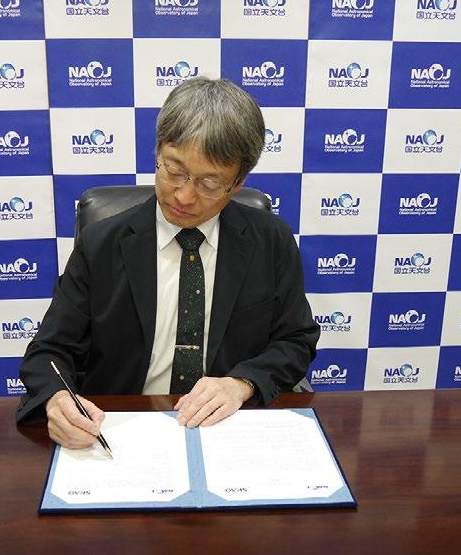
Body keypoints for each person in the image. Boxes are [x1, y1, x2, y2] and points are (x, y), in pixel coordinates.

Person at [16, 77, 319, 449]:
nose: (185, 196)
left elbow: (295, 341)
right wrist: (56, 400)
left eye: (209, 184)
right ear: (158, 150)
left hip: (228, 430)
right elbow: (49, 351)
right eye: (174, 171)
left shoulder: (270, 241)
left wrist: (242, 384)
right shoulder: (102, 244)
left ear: (238, 182)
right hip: (121, 431)